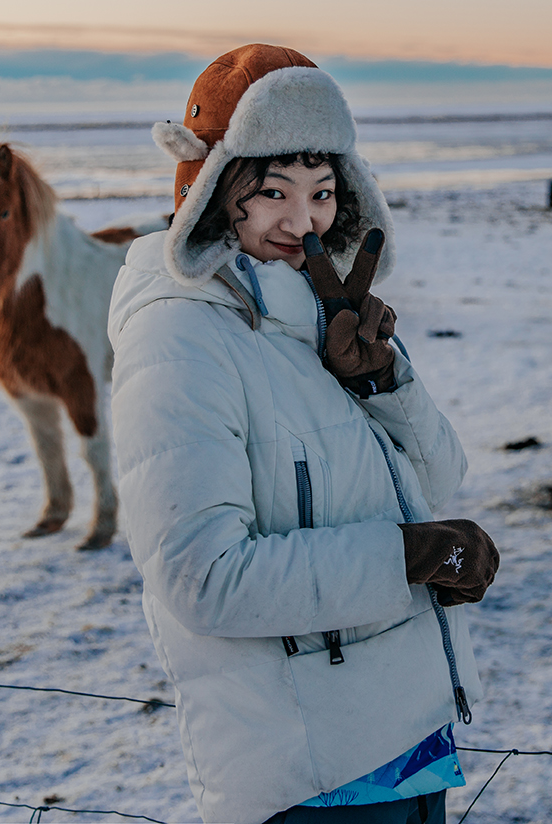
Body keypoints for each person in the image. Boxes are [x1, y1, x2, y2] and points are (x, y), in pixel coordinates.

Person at [107, 44, 500, 824]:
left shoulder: (323, 315)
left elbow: (440, 476)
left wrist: (379, 380)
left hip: (409, 748)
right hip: (309, 780)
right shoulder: (180, 338)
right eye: (271, 191)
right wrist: (407, 556)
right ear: (213, 193)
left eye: (322, 190)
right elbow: (202, 579)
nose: (302, 220)